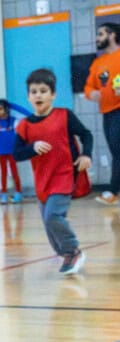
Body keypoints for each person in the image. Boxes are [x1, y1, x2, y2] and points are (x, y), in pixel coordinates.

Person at [14, 68, 92, 275]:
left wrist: (87, 155)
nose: (38, 95)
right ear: (28, 97)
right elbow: (16, 154)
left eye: (43, 90)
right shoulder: (24, 126)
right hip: (42, 181)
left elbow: (86, 134)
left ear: (53, 95)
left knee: (53, 217)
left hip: (64, 175)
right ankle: (65, 254)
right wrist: (32, 148)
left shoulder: (64, 115)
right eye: (34, 91)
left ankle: (73, 251)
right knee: (48, 225)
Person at [85, 22, 120, 205]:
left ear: (112, 35)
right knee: (116, 152)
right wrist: (92, 93)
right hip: (108, 113)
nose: (97, 38)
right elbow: (88, 86)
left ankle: (113, 192)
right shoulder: (98, 62)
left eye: (100, 34)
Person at [0, 98, 22, 204]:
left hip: (12, 151)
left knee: (14, 172)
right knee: (3, 173)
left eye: (0, 109)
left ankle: (18, 193)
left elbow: (19, 134)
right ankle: (4, 194)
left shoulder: (14, 120)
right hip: (1, 151)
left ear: (6, 109)